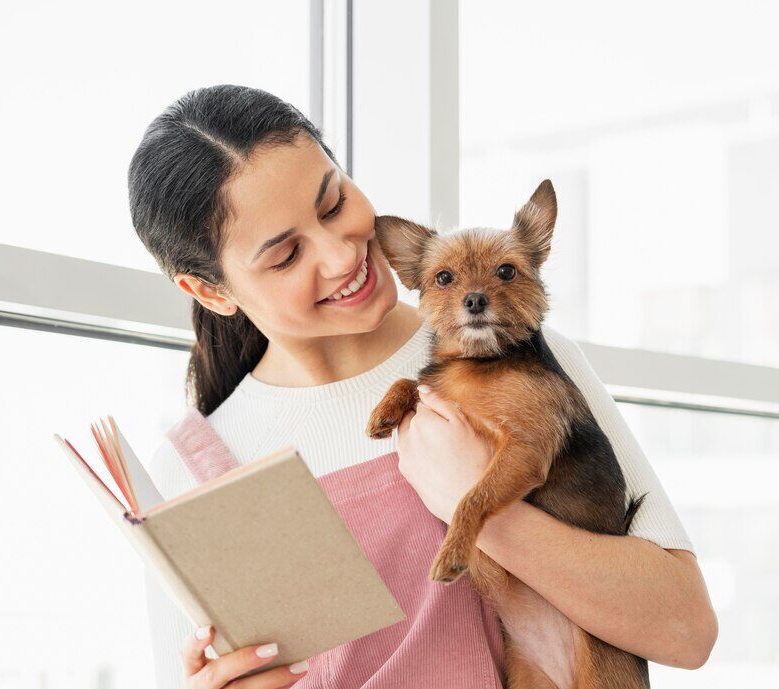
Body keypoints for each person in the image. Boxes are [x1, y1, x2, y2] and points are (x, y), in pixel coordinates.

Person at [128, 84, 718, 689]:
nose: (340, 255)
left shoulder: (515, 350)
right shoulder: (188, 474)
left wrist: (486, 511)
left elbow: (686, 629)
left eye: (333, 203)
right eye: (285, 256)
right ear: (210, 291)